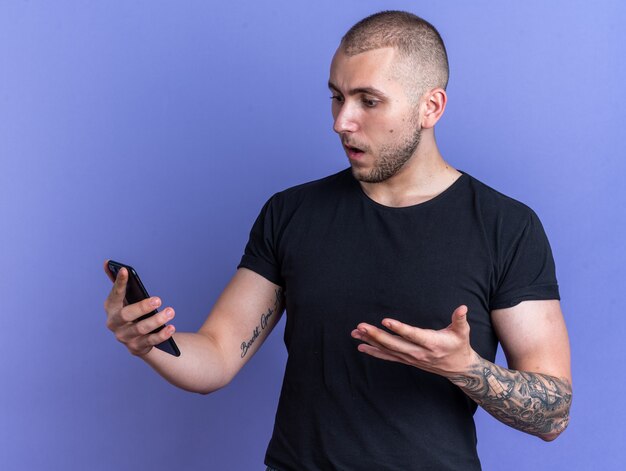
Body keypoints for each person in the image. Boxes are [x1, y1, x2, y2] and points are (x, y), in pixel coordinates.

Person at [103, 10, 572, 471]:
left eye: (368, 101)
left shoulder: (506, 227)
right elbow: (218, 356)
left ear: (430, 107)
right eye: (337, 97)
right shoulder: (291, 213)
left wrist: (464, 366)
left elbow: (554, 416)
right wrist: (152, 345)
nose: (341, 121)